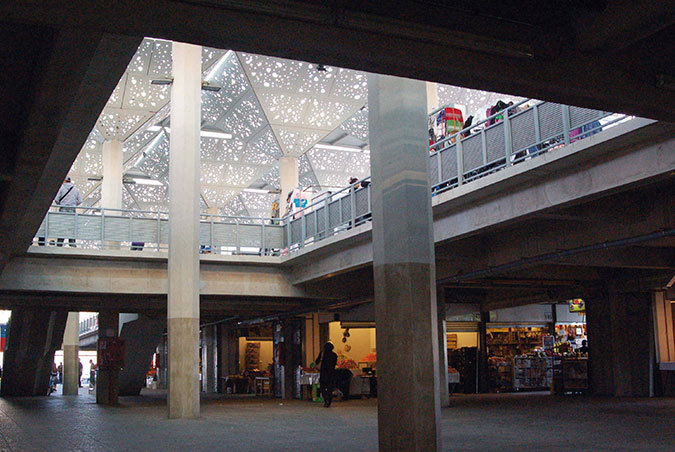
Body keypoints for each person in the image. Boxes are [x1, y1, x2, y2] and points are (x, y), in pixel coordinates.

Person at [54, 177, 82, 247]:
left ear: (64, 181)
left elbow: (56, 199)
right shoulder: (76, 190)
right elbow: (80, 201)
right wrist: (74, 204)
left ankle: (60, 243)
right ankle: (72, 243)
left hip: (63, 210)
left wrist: (60, 204)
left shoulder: (61, 188)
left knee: (62, 226)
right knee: (71, 227)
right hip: (72, 210)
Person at [315, 342, 338, 407]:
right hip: (331, 373)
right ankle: (329, 400)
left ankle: (325, 399)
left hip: (323, 372)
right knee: (330, 387)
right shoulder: (334, 355)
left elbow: (317, 361)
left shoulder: (322, 354)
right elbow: (335, 363)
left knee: (323, 387)